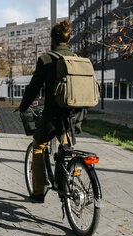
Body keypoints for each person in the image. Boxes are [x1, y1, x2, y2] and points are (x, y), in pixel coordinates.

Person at [18, 19, 79, 203]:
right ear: (68, 40)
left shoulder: (46, 59)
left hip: (53, 115)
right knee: (68, 148)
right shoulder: (76, 59)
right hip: (74, 115)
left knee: (38, 146)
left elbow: (34, 87)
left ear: (52, 39)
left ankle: (38, 192)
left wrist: (23, 106)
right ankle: (68, 182)